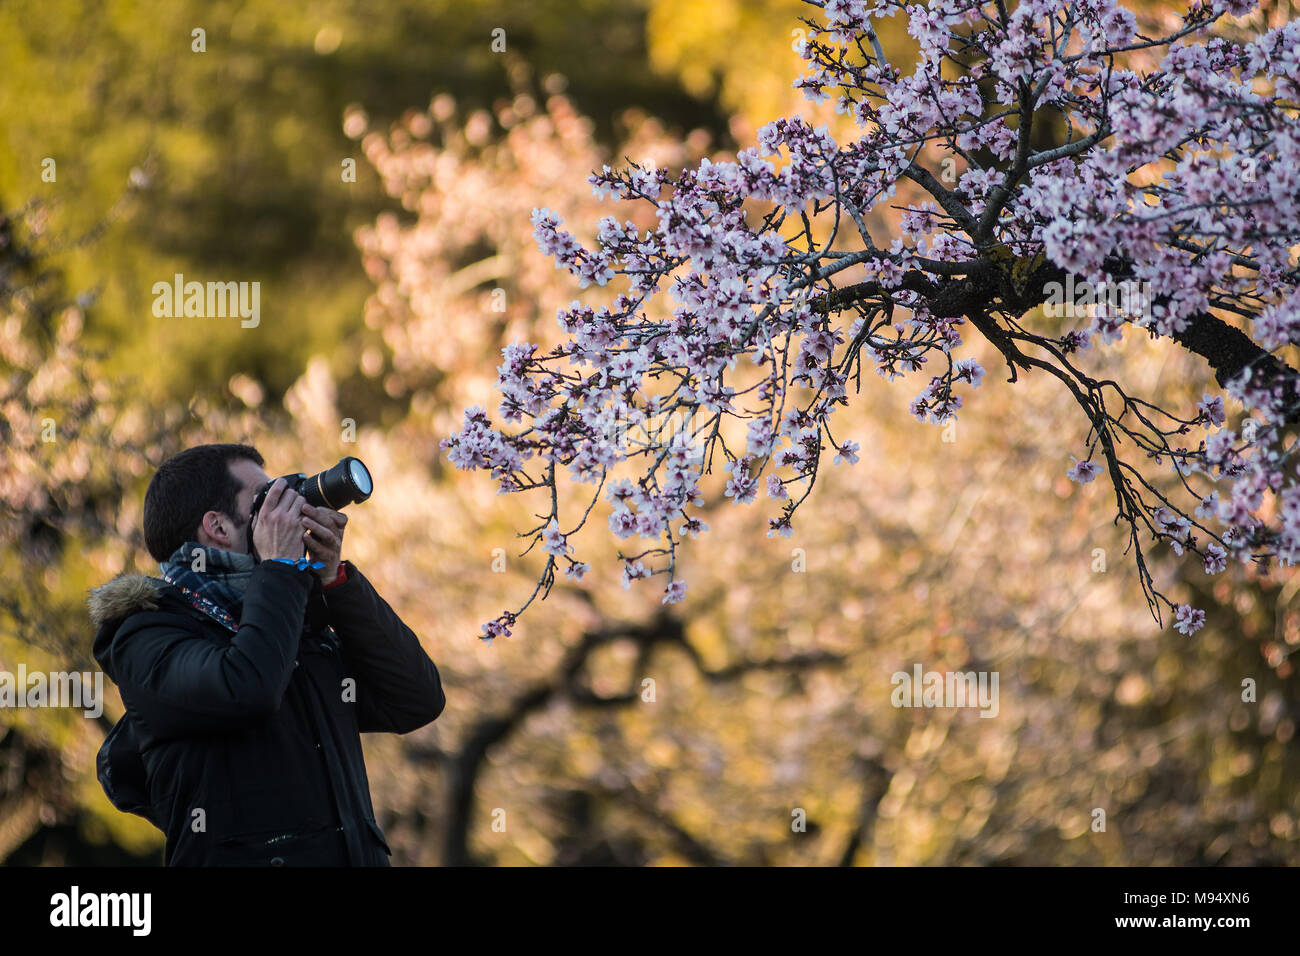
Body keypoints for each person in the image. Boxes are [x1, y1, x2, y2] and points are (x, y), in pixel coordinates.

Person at [88, 443, 445, 866]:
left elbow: (415, 699)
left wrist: (334, 581)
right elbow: (248, 688)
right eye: (265, 500)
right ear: (217, 527)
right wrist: (280, 569)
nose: (287, 509)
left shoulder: (292, 621)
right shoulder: (146, 634)